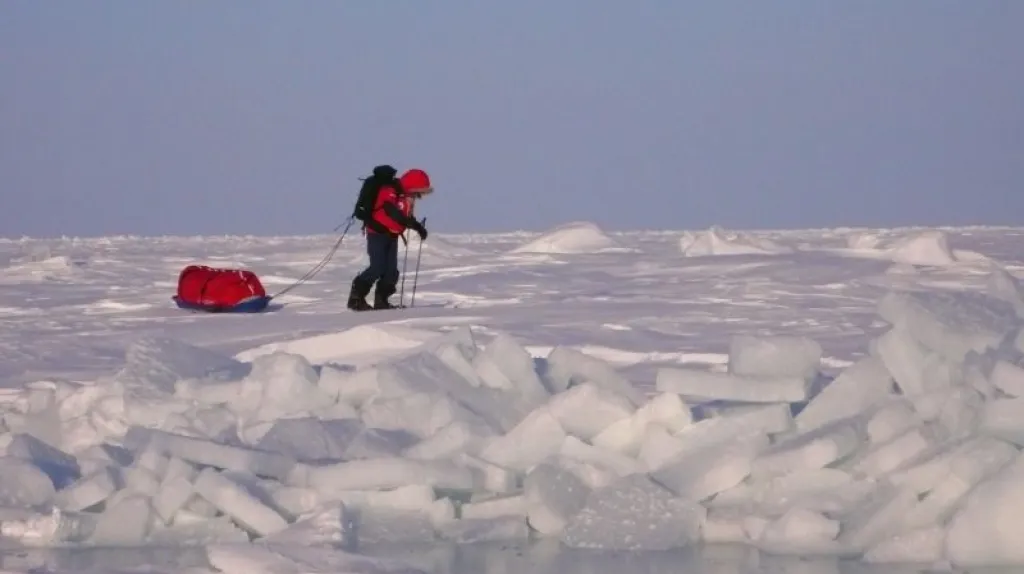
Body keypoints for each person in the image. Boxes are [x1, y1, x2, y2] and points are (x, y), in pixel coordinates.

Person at [347, 165, 430, 311]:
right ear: (412, 186)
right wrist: (409, 223)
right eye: (418, 191)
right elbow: (390, 210)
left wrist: (418, 227)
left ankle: (381, 301)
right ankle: (356, 298)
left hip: (391, 235)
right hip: (377, 233)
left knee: (391, 271)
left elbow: (404, 216)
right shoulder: (390, 190)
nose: (419, 196)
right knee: (377, 267)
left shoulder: (405, 197)